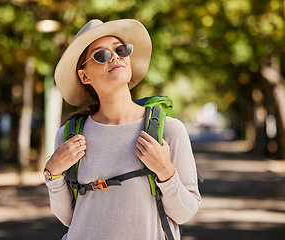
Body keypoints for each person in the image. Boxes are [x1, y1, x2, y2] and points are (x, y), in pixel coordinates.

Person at [43, 19, 201, 240]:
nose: (116, 57)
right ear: (84, 76)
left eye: (121, 50)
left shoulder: (168, 131)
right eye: (101, 55)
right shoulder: (70, 135)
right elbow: (71, 218)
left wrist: (165, 171)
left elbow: (185, 212)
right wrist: (53, 172)